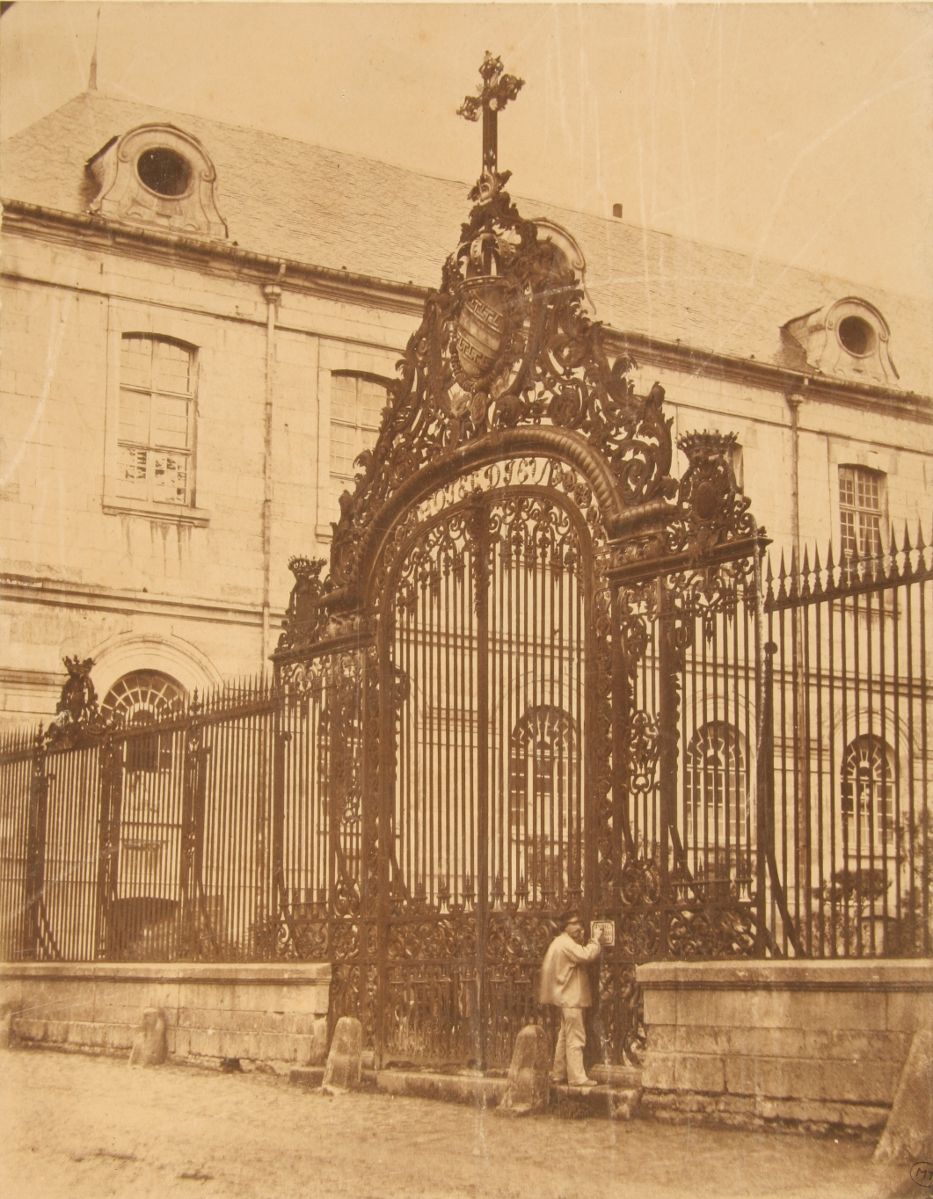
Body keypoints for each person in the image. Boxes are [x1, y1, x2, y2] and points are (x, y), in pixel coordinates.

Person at [539, 909, 604, 1087]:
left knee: (564, 1037)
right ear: (565, 927)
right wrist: (596, 940)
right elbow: (587, 954)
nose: (579, 927)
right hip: (571, 998)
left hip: (564, 998)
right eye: (575, 924)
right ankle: (577, 1078)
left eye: (580, 924)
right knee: (576, 1037)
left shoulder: (559, 942)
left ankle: (558, 1074)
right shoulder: (566, 944)